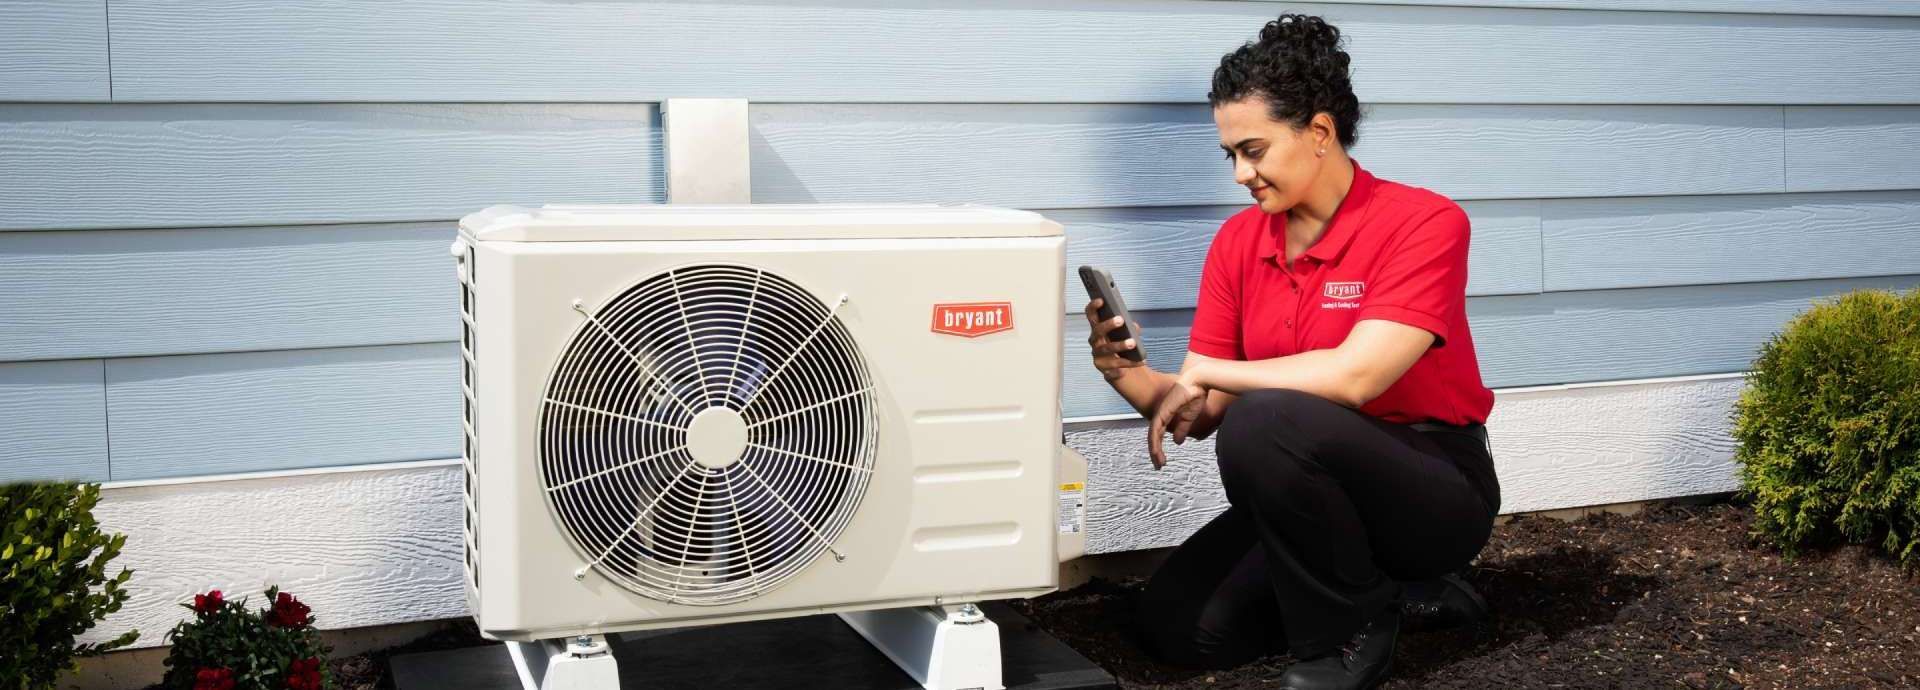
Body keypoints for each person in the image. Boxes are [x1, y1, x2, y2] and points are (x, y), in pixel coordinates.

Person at [1081, 13, 1501, 690]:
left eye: (1254, 149)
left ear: (1319, 133)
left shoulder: (1422, 223)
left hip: (1432, 487)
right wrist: (1129, 373)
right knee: (1182, 627)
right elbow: (1206, 409)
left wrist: (1208, 373)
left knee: (1268, 419)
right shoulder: (1239, 245)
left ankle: (1349, 632)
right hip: (1309, 497)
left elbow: (1358, 377)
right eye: (1231, 156)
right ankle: (1390, 593)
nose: (1242, 173)